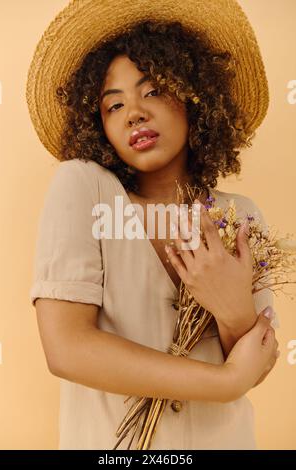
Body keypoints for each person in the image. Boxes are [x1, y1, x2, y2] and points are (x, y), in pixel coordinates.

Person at [27, 0, 279, 450]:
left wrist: (234, 309)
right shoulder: (83, 187)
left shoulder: (241, 215)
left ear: (194, 94)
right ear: (97, 125)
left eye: (153, 91)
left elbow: (257, 363)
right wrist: (224, 382)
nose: (134, 113)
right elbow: (66, 348)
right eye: (113, 105)